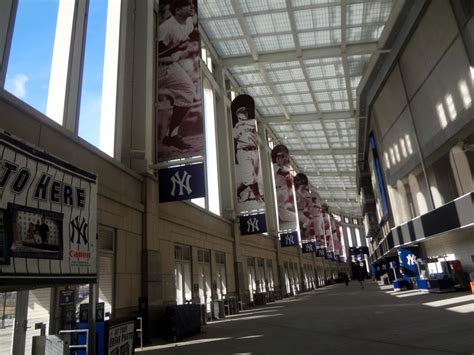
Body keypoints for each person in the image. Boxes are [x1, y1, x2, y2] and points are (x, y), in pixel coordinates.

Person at [158, 0, 199, 150]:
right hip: (157, 68)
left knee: (188, 90)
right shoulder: (166, 27)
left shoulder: (188, 22)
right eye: (188, 5)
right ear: (178, 10)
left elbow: (189, 37)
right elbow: (157, 52)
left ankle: (172, 136)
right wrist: (177, 48)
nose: (192, 6)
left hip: (171, 66)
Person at [233, 106, 264, 203]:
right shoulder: (237, 127)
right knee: (251, 176)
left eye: (245, 112)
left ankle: (236, 192)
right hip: (243, 151)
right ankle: (258, 197)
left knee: (250, 178)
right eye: (241, 113)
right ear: (238, 116)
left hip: (254, 151)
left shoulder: (252, 123)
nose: (244, 114)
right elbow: (233, 137)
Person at [271, 145, 296, 229]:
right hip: (279, 191)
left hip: (282, 192)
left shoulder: (284, 167)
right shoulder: (275, 166)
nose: (283, 158)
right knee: (282, 213)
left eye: (283, 156)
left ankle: (296, 219)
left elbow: (286, 175)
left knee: (282, 214)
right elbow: (284, 174)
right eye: (280, 157)